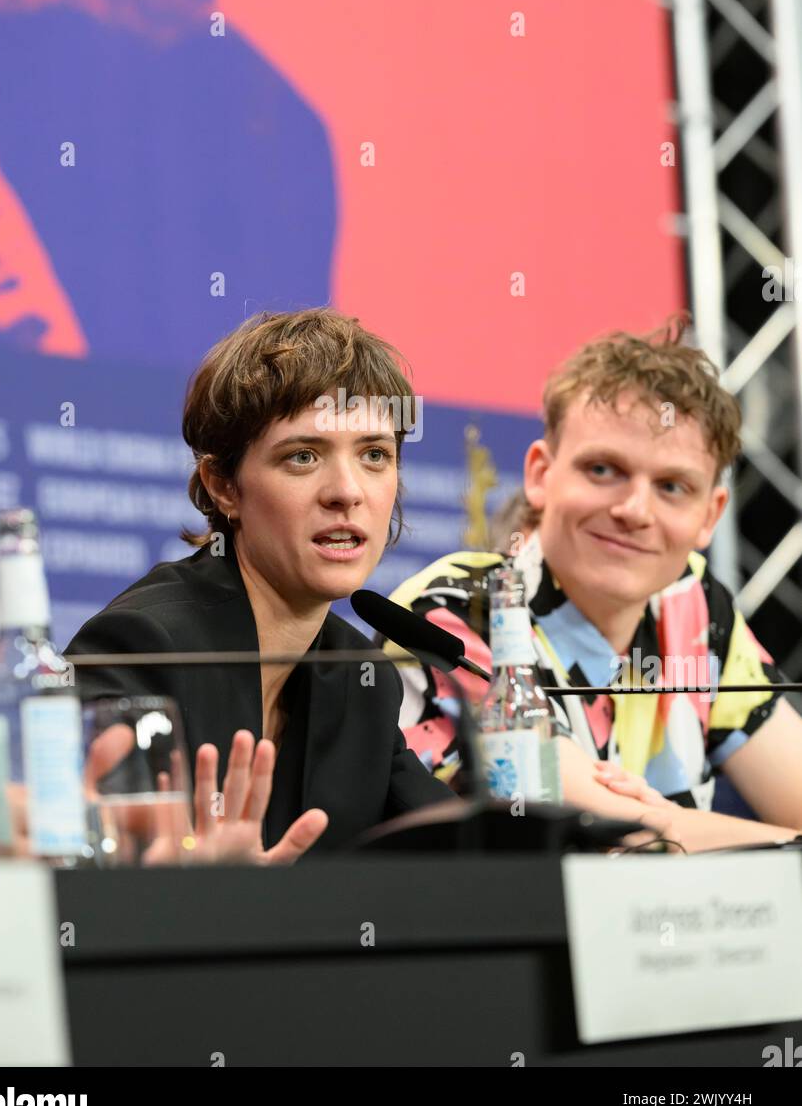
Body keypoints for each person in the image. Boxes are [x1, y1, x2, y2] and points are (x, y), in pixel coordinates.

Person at [387, 318, 802, 854]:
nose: (634, 511)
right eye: (604, 469)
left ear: (710, 514)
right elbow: (600, 835)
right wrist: (655, 821)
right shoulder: (456, 608)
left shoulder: (694, 603)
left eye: (672, 486)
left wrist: (659, 821)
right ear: (540, 473)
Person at [64, 307, 463, 861]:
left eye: (374, 455)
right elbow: (71, 865)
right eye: (303, 456)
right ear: (223, 486)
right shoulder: (143, 643)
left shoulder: (360, 678)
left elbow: (458, 848)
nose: (347, 492)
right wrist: (194, 901)